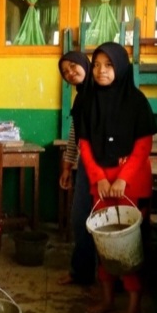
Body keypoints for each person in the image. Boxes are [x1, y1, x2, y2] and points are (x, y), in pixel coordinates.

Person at [75, 42, 157, 313]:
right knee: (104, 242)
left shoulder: (136, 101)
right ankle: (107, 299)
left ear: (121, 67)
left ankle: (133, 309)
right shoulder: (86, 100)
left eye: (108, 65)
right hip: (102, 183)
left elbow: (143, 144)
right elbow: (84, 144)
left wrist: (123, 178)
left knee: (130, 245)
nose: (100, 71)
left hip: (131, 183)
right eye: (96, 65)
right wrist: (99, 179)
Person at [56, 51, 96, 286]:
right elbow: (75, 137)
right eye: (65, 71)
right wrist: (67, 167)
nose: (70, 73)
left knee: (105, 224)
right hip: (85, 168)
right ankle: (81, 272)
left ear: (84, 64)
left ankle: (107, 280)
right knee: (80, 219)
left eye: (73, 67)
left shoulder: (102, 94)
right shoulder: (80, 99)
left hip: (107, 168)